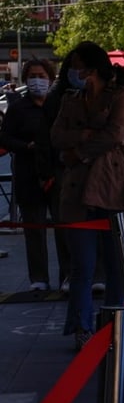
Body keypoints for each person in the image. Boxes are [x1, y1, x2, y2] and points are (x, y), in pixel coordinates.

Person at [51, 41, 124, 350]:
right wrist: (82, 137)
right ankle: (82, 328)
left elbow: (118, 134)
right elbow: (56, 135)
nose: (75, 73)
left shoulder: (121, 96)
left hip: (115, 187)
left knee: (118, 264)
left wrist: (77, 151)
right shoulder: (70, 99)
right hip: (77, 192)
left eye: (79, 67)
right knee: (81, 267)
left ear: (94, 68)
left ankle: (118, 326)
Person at [0, 58, 69, 291]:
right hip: (29, 175)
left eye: (41, 76)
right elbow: (6, 138)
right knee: (34, 227)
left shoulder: (59, 105)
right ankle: (38, 278)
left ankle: (67, 276)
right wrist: (26, 146)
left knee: (64, 227)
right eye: (32, 76)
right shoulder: (18, 108)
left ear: (50, 78)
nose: (37, 80)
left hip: (58, 173)